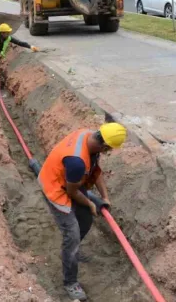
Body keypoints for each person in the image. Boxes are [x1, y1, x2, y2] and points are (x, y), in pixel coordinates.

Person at [38, 123, 127, 301]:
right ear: (105, 146)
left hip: (72, 181)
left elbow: (95, 171)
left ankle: (72, 251)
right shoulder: (77, 161)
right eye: (109, 150)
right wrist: (91, 203)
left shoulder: (89, 136)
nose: (108, 152)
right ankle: (70, 282)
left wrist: (104, 197)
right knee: (72, 234)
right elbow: (72, 193)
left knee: (85, 220)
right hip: (55, 188)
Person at [0, 23, 38, 95]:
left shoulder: (8, 38)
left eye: (9, 32)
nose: (8, 34)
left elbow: (19, 42)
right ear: (2, 33)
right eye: (7, 33)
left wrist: (30, 46)